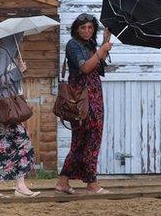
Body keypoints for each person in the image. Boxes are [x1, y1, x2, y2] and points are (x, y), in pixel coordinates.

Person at [55, 13, 113, 194]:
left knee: (87, 140)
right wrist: (101, 50)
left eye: (90, 28)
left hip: (94, 96)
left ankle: (63, 183)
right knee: (86, 140)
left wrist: (104, 43)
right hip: (81, 99)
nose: (87, 31)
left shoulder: (90, 45)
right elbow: (85, 68)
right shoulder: (73, 45)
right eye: (83, 28)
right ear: (76, 29)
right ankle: (92, 184)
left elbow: (99, 68)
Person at [0, 32, 40, 199]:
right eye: (18, 38)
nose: (19, 41)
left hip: (1, 111)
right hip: (3, 112)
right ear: (12, 39)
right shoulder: (3, 53)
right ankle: (20, 187)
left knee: (3, 148)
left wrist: (18, 70)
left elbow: (6, 79)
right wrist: (18, 72)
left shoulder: (9, 55)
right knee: (24, 143)